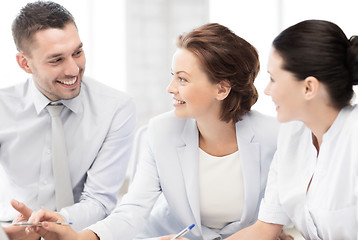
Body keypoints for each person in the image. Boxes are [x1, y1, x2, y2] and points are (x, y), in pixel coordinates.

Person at [18, 23, 290, 240]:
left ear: (222, 88)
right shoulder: (161, 132)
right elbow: (133, 209)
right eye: (172, 76)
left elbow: (284, 212)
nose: (170, 88)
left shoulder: (274, 136)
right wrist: (82, 237)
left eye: (182, 78)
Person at [0, 1, 136, 239]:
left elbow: (100, 200)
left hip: (79, 234)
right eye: (56, 60)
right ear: (25, 63)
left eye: (77, 52)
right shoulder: (3, 107)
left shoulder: (116, 108)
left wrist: (54, 223)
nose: (74, 70)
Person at [225, 20, 358, 239]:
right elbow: (264, 229)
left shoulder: (353, 137)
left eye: (273, 79)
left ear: (308, 87)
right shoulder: (292, 136)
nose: (267, 91)